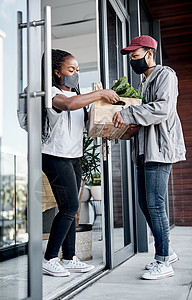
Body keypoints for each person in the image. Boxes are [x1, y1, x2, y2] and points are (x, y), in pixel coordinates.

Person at [112, 35, 186, 280]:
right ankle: (168, 252)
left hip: (159, 149)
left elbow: (163, 108)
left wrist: (128, 112)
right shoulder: (144, 83)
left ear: (150, 54)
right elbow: (139, 120)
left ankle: (163, 260)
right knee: (146, 204)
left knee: (155, 205)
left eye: (136, 56)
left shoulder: (166, 74)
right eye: (131, 57)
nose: (133, 61)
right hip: (143, 151)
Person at [42, 49, 120, 277]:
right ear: (57, 72)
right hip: (55, 156)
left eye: (77, 70)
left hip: (73, 157)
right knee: (69, 208)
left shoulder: (79, 99)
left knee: (70, 209)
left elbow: (88, 122)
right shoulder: (53, 94)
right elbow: (68, 105)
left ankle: (69, 258)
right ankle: (49, 259)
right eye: (70, 70)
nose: (76, 74)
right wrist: (100, 93)